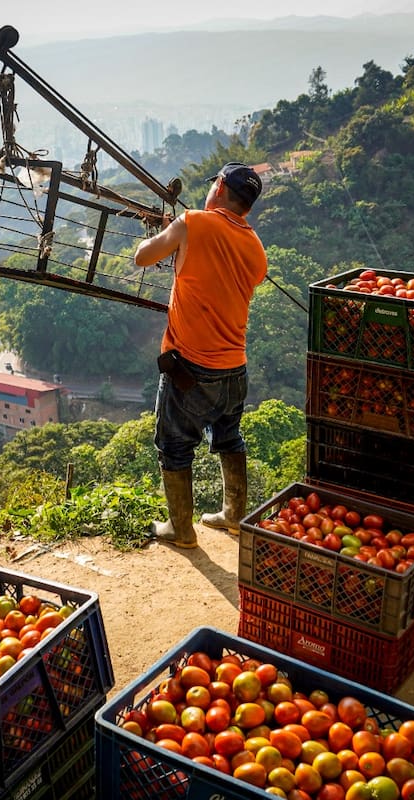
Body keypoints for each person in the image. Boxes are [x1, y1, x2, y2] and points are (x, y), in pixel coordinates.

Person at [134, 162, 268, 548]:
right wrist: (179, 232)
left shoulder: (193, 222)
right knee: (230, 438)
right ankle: (234, 515)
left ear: (221, 187)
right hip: (234, 369)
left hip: (191, 367)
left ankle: (182, 529)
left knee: (174, 445)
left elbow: (144, 257)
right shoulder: (256, 249)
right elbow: (216, 267)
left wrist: (172, 230)